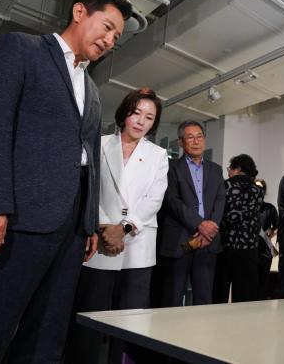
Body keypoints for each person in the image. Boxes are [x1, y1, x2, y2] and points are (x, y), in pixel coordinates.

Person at [0, 0, 132, 363]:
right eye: (108, 27)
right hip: (20, 218)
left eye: (117, 36)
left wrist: (87, 224)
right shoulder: (21, 49)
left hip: (70, 230)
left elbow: (89, 159)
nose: (110, 40)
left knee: (46, 335)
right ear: (80, 11)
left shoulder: (93, 89)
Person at [66, 88, 168, 364]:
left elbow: (154, 199)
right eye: (136, 113)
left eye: (149, 117)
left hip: (137, 242)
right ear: (125, 113)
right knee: (91, 312)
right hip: (99, 239)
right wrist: (104, 225)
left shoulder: (158, 155)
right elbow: (88, 189)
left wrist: (123, 227)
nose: (140, 121)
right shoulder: (98, 144)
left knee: (130, 318)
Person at [157, 121, 226, 306]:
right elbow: (172, 201)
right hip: (181, 240)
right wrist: (200, 224)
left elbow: (220, 201)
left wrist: (209, 229)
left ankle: (201, 335)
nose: (196, 141)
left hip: (206, 242)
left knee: (204, 298)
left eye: (199, 136)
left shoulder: (216, 169)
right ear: (180, 142)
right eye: (190, 137)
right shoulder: (170, 168)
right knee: (172, 297)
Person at [213, 154, 263, 303]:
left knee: (219, 292)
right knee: (245, 296)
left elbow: (221, 215)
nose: (228, 172)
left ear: (238, 169)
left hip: (226, 246)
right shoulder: (258, 190)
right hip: (249, 248)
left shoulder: (225, 186)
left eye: (230, 168)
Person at [254, 179, 278, 300]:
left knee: (264, 282)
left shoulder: (270, 208)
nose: (259, 190)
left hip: (265, 251)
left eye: (261, 188)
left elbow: (277, 226)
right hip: (250, 250)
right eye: (256, 187)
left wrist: (268, 235)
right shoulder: (248, 208)